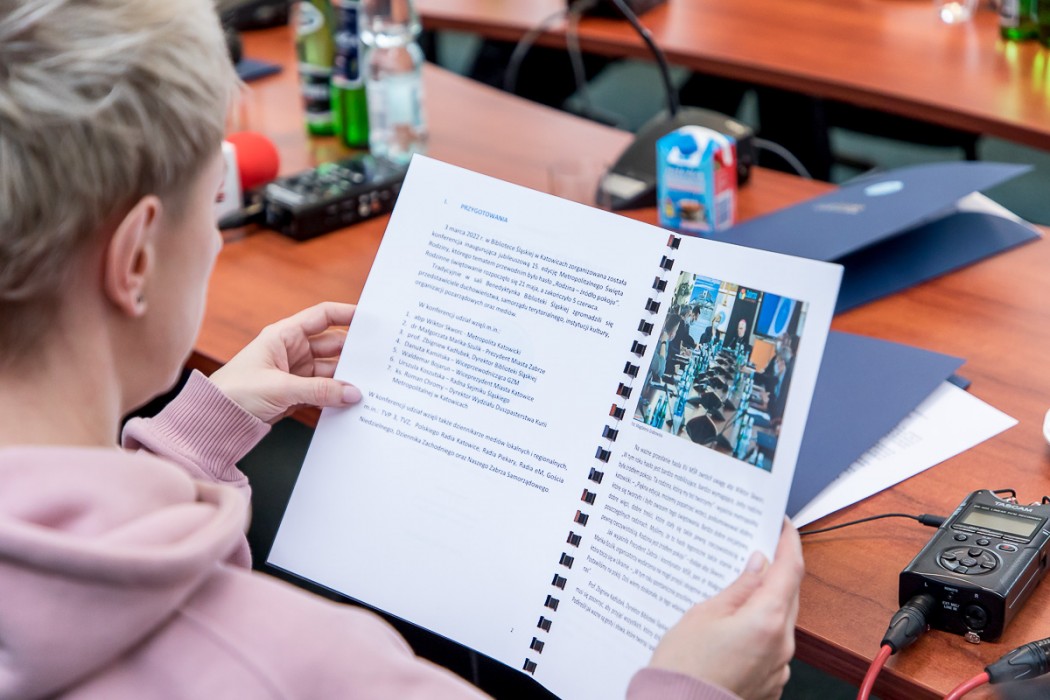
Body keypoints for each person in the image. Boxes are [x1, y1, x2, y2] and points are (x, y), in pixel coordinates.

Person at [0, 1, 804, 698]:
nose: (213, 237)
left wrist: (188, 440)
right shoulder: (317, 667)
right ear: (136, 259)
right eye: (210, 203)